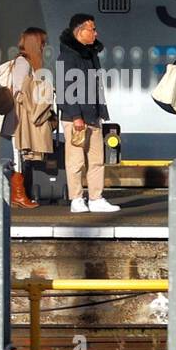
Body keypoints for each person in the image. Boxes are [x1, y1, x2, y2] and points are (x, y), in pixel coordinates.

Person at [58, 13, 119, 212]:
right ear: (80, 31)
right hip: (76, 117)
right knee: (76, 160)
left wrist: (100, 111)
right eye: (92, 29)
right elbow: (65, 87)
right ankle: (76, 198)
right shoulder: (67, 56)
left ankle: (95, 197)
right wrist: (76, 116)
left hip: (93, 114)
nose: (95, 33)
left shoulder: (90, 54)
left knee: (96, 159)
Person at [0, 27, 56, 209]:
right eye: (42, 42)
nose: (43, 46)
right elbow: (20, 91)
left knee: (21, 155)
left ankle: (20, 194)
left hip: (21, 114)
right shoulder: (23, 63)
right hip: (19, 116)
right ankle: (18, 195)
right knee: (17, 155)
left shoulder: (24, 62)